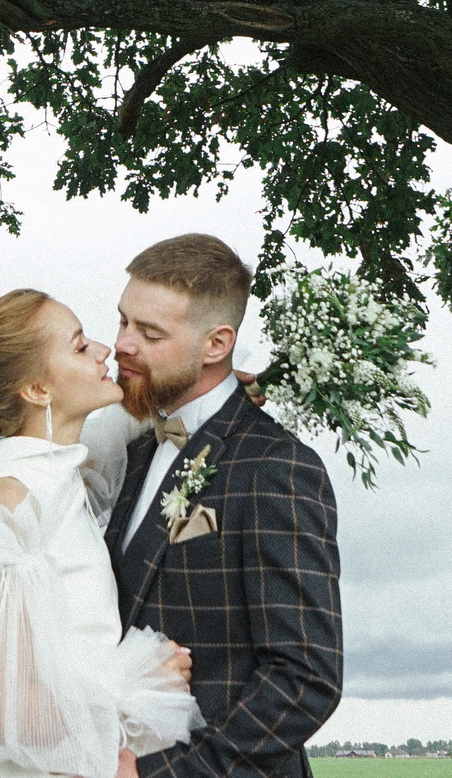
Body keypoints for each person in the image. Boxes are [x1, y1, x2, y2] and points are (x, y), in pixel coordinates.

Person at [0, 288, 203, 778]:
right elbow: (0, 706)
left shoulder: (52, 473)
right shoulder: (12, 501)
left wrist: (199, 388)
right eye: (78, 346)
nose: (103, 350)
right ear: (37, 390)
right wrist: (137, 684)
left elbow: (107, 441)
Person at [88, 236, 343, 778]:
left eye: (150, 332)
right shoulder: (136, 451)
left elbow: (304, 678)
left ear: (217, 344)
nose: (122, 346)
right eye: (124, 321)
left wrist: (162, 775)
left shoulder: (276, 466)